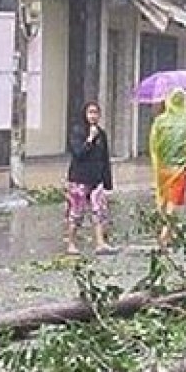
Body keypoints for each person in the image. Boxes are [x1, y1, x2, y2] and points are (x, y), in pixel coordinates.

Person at [65, 101, 117, 256]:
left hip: (96, 180)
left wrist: (107, 182)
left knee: (99, 211)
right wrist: (89, 139)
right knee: (76, 212)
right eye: (90, 112)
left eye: (96, 113)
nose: (93, 116)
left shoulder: (102, 134)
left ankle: (100, 243)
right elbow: (78, 153)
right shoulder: (77, 131)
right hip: (79, 179)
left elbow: (104, 159)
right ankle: (71, 243)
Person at [148, 88, 186, 249]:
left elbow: (153, 144)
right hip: (179, 168)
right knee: (173, 201)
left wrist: (156, 162)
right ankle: (165, 232)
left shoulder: (160, 121)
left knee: (162, 198)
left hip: (162, 167)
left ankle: (164, 230)